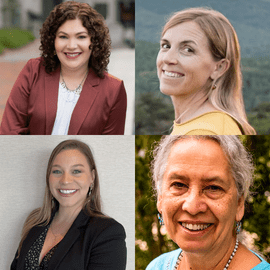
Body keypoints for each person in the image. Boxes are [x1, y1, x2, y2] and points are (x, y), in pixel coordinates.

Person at [0, 1, 127, 135]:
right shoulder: (34, 71)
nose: (71, 45)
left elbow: (110, 147)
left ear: (94, 41)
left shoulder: (113, 90)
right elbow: (9, 132)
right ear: (52, 40)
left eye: (81, 37)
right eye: (63, 37)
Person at [147, 135, 270, 270]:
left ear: (239, 204)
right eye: (179, 185)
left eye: (213, 188)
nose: (192, 207)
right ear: (160, 198)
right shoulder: (157, 266)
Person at [10, 139, 126, 269]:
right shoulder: (35, 221)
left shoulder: (107, 232)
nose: (65, 180)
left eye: (76, 171)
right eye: (57, 171)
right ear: (49, 177)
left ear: (92, 177)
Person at [156, 7, 255, 135]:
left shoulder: (205, 131)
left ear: (219, 68)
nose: (168, 58)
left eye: (188, 50)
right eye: (166, 46)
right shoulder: (197, 124)